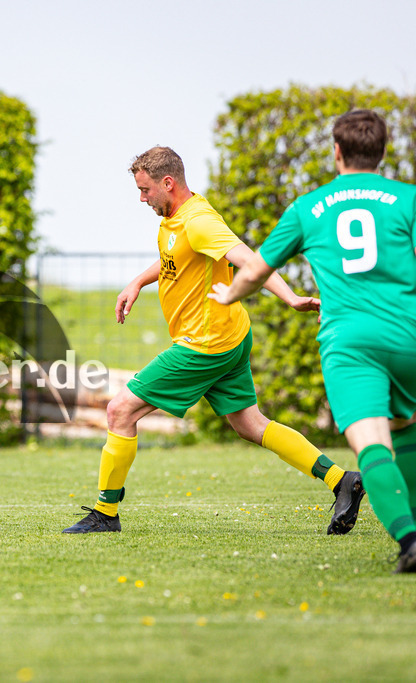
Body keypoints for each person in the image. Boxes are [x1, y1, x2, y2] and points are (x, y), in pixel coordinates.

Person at [63, 146, 365, 535]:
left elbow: (251, 260)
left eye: (145, 190)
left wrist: (290, 298)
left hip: (204, 344)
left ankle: (106, 514)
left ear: (167, 183)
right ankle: (341, 480)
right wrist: (138, 281)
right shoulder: (177, 216)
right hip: (230, 334)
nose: (142, 199)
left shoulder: (200, 220)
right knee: (251, 424)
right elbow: (176, 257)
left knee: (121, 411)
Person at [210, 110, 416, 573]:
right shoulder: (407, 199)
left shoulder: (309, 207)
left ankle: (409, 539)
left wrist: (229, 294)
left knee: (373, 445)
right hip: (408, 332)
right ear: (383, 152)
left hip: (350, 343)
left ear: (337, 152)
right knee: (407, 428)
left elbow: (257, 269)